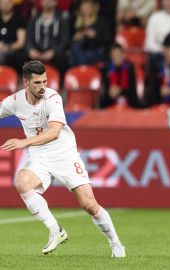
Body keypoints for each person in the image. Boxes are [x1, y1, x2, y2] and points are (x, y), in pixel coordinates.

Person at [0, 60, 126, 257]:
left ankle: (116, 243)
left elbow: (54, 132)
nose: (43, 87)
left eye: (45, 81)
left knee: (89, 205)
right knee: (22, 182)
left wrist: (24, 142)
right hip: (40, 156)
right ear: (25, 83)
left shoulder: (53, 98)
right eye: (37, 83)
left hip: (63, 154)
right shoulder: (15, 101)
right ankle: (55, 230)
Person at [25, 0, 69, 75]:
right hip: (37, 50)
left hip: (54, 52)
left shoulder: (62, 19)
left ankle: (59, 82)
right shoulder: (34, 19)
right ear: (41, 2)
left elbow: (65, 41)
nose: (47, 2)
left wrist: (54, 51)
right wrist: (30, 49)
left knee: (63, 57)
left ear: (56, 2)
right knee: (23, 55)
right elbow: (28, 39)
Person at [100, 43, 142, 109]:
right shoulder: (105, 69)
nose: (117, 58)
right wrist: (109, 91)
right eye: (114, 55)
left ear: (123, 55)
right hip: (110, 103)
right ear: (111, 56)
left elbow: (132, 90)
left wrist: (120, 90)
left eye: (119, 55)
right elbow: (104, 89)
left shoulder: (129, 68)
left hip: (128, 103)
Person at [70, 0, 112, 67]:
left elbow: (108, 38)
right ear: (80, 7)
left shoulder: (100, 20)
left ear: (93, 8)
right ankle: (84, 69)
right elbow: (67, 39)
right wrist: (76, 37)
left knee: (74, 59)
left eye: (88, 6)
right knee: (74, 49)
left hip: (95, 51)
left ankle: (83, 69)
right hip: (80, 51)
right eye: (84, 6)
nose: (86, 8)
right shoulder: (75, 21)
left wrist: (95, 35)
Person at [0, 0, 27, 73]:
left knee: (1, 55)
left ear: (12, 4)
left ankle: (4, 79)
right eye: (2, 3)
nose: (5, 5)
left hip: (14, 51)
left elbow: (20, 43)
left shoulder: (20, 19)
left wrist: (7, 47)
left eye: (7, 3)